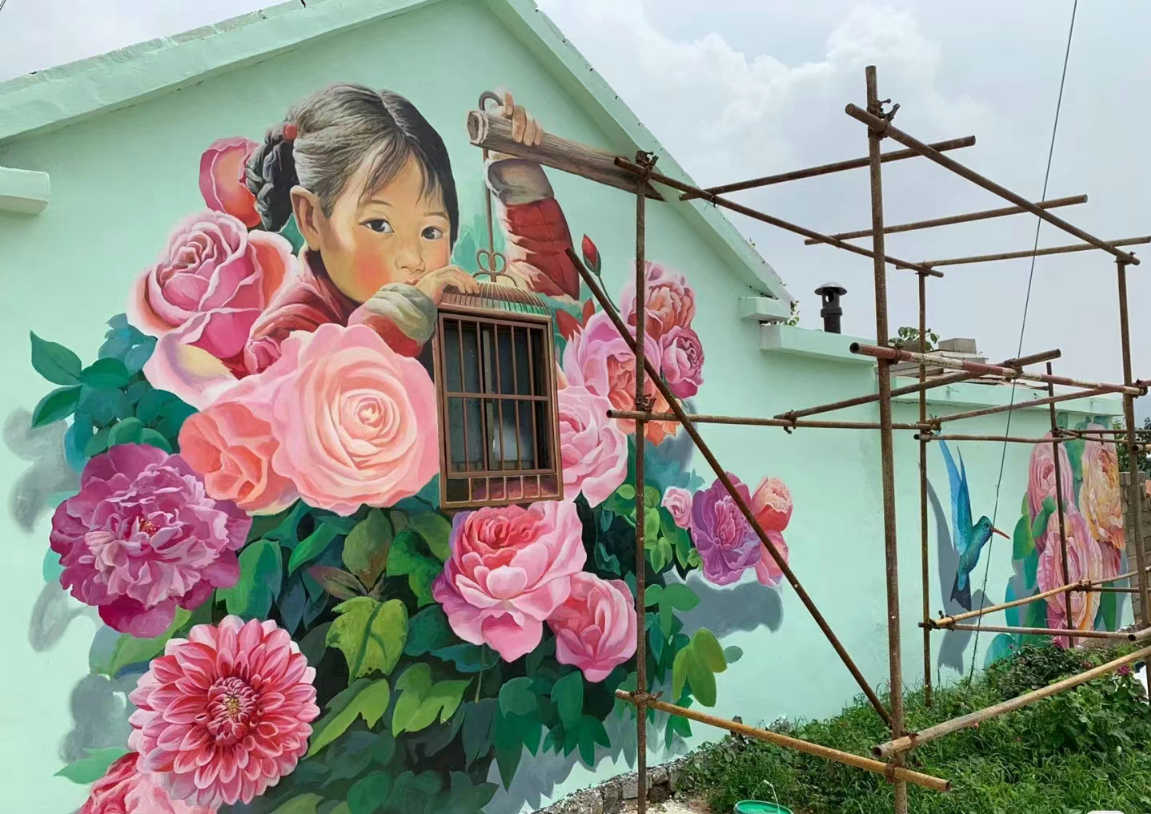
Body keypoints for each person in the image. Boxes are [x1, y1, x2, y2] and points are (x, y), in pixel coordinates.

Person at [241, 83, 579, 372]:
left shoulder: (441, 300)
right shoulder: (284, 337)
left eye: (431, 232)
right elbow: (330, 387)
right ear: (312, 218)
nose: (413, 260)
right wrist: (393, 323)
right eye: (379, 224)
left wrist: (518, 180)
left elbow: (544, 293)